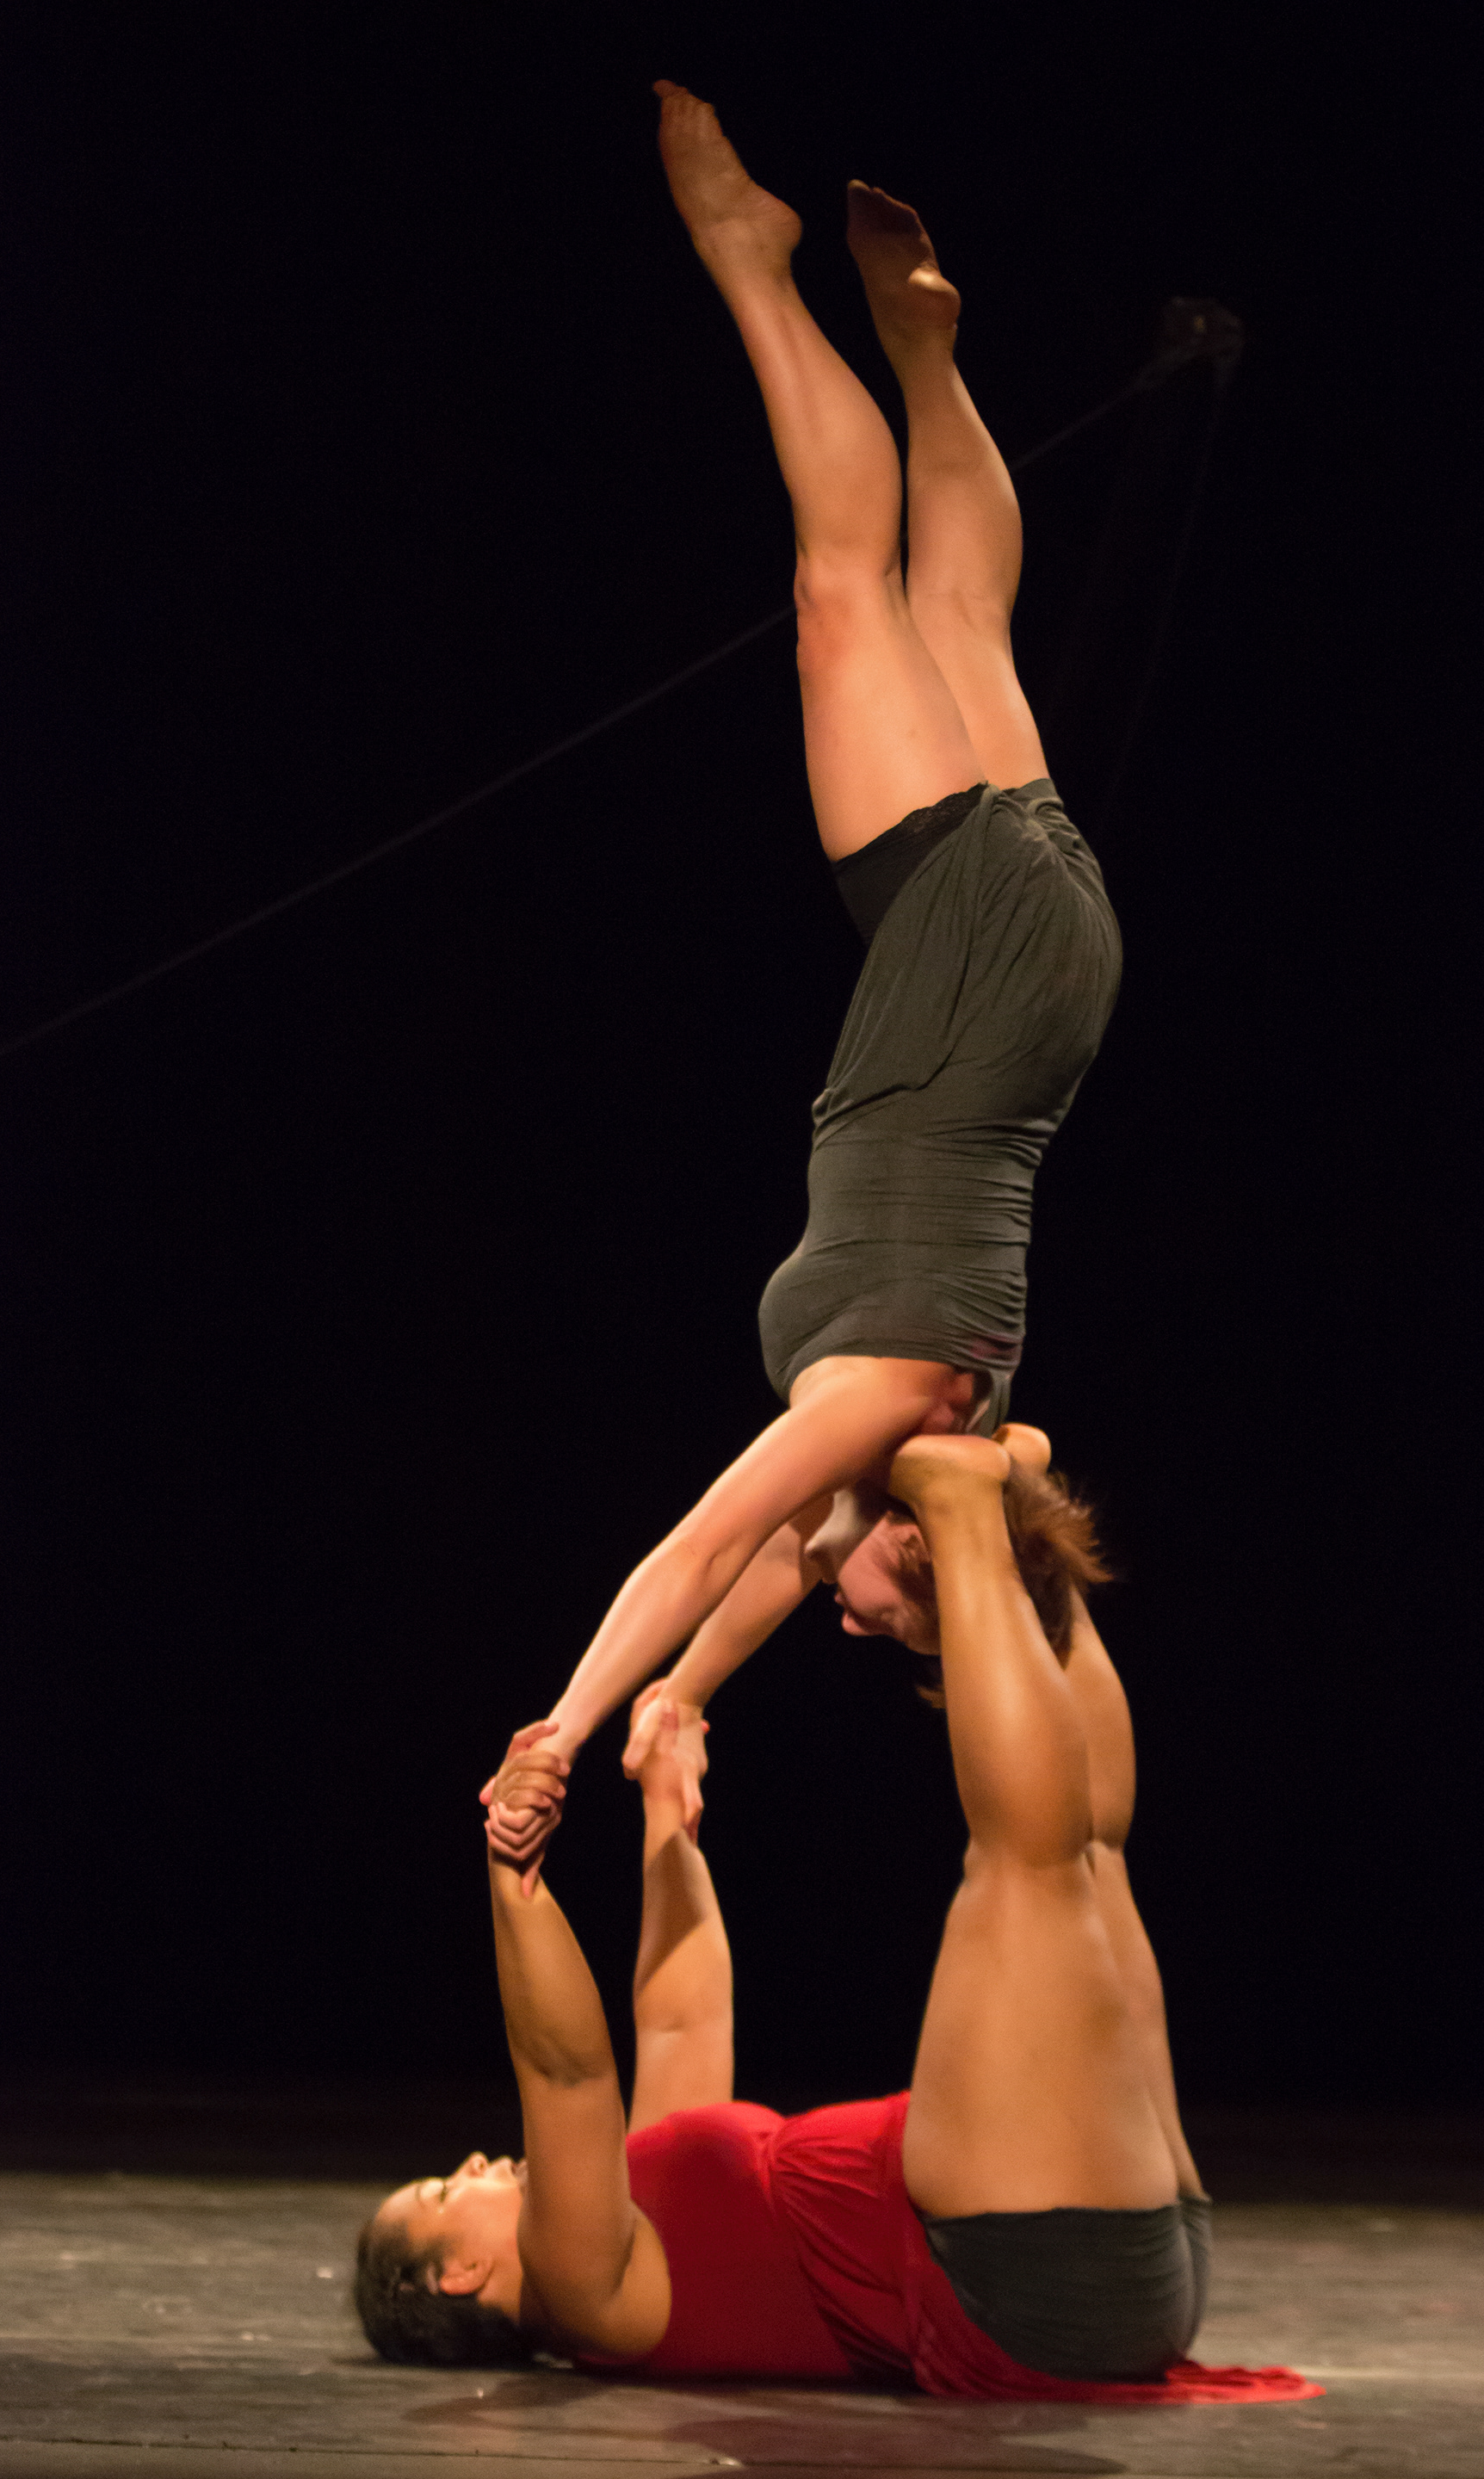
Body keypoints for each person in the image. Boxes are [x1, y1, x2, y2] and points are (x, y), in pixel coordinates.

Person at [483, 83, 1124, 1859]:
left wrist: (684, 1699)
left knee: (954, 619)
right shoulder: (899, 1404)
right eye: (895, 1624)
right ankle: (747, 262)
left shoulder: (942, 1431)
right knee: (847, 586)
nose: (854, 1625)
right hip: (972, 973)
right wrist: (564, 1727)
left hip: (1036, 976)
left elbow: (767, 1572)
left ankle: (925, 355)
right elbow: (707, 1547)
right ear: (920, 1554)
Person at [362, 1429, 1213, 2391]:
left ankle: (1004, 1524)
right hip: (1022, 2281)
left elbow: (682, 2019)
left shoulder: (638, 2228)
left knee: (1090, 1858)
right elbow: (565, 2075)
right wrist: (510, 1873)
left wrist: (665, 1813)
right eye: (444, 2192)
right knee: (1026, 1871)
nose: (475, 2161)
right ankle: (962, 1507)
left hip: (1103, 2249)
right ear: (458, 2277)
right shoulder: (582, 2290)